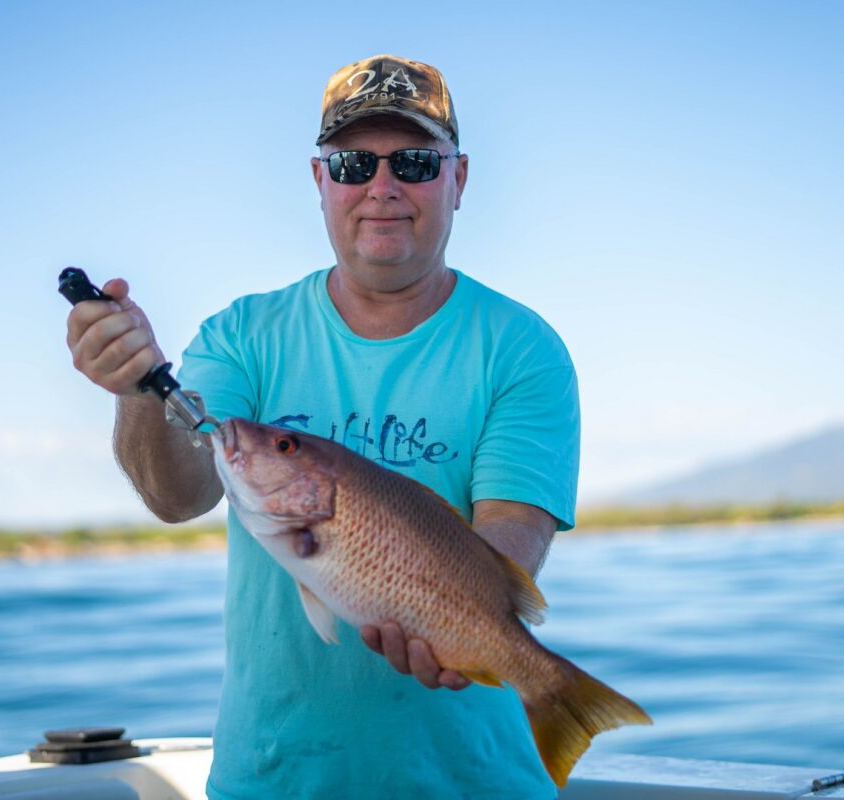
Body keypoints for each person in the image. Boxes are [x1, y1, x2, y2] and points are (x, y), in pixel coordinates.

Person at [66, 54, 580, 799]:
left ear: (459, 179)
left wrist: (450, 622)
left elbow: (513, 533)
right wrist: (138, 391)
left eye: (413, 162)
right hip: (274, 780)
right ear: (320, 181)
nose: (382, 187)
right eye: (352, 164)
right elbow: (178, 494)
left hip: (477, 782)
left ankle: (557, 702)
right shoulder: (242, 335)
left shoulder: (522, 348)